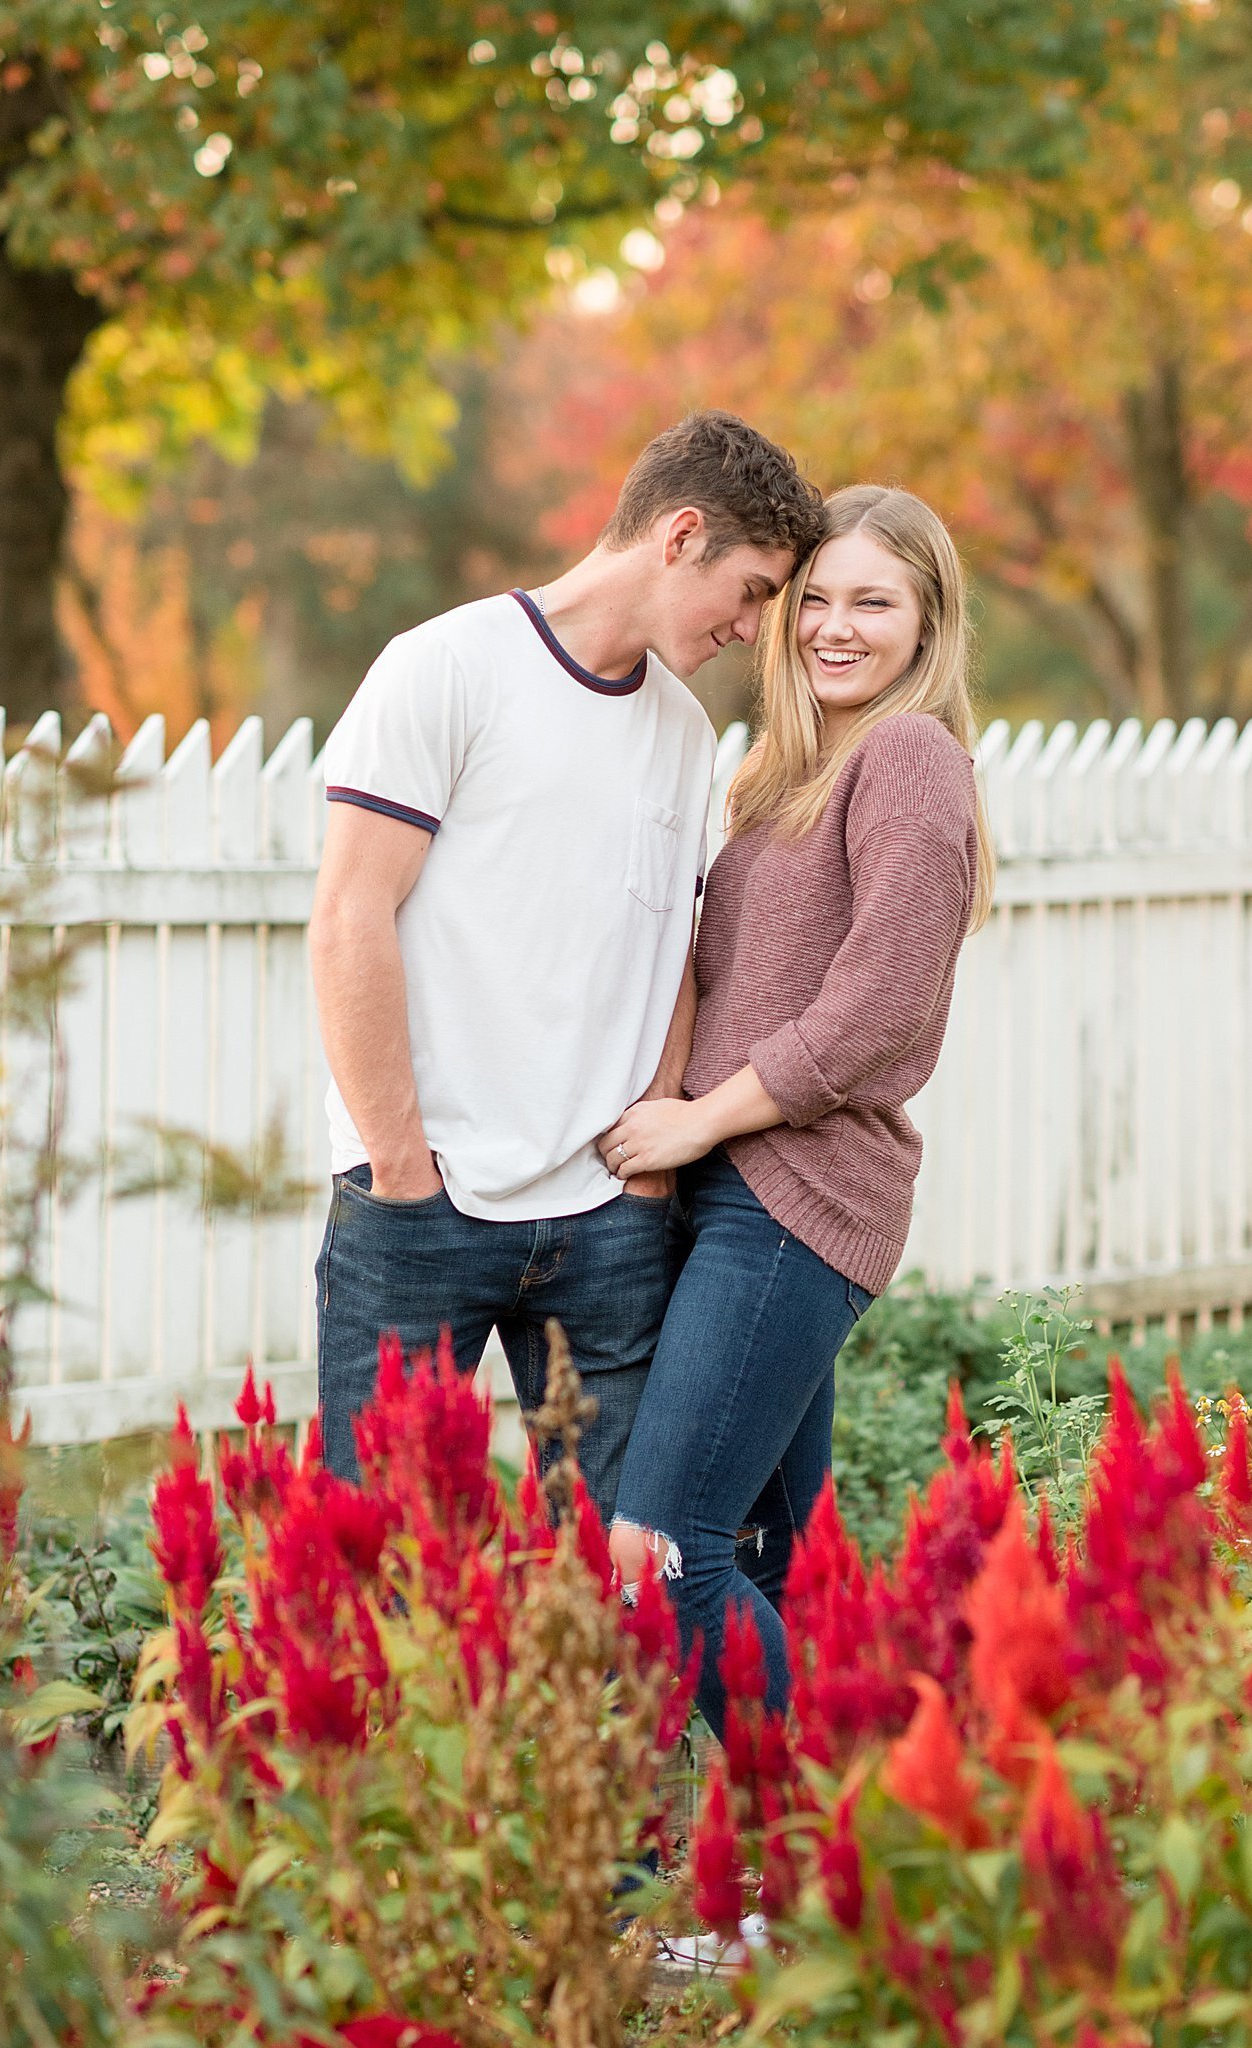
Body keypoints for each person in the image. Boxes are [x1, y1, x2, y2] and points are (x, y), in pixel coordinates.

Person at [309, 411, 824, 1525]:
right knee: (379, 1569)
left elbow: (675, 950)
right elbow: (350, 916)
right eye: (750, 589)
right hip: (420, 1207)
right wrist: (402, 1168)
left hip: (604, 1223)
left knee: (611, 1582)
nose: (751, 626)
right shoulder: (445, 667)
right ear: (680, 534)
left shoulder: (685, 734)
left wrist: (645, 1156)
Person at [601, 484, 996, 1730]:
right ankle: (842, 1879)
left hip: (795, 1203)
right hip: (735, 1195)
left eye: (871, 601)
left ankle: (824, 1847)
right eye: (813, 598)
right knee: (776, 1566)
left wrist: (696, 1119)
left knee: (659, 1552)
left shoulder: (909, 756)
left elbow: (876, 1002)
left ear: (927, 623)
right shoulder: (784, 771)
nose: (832, 625)